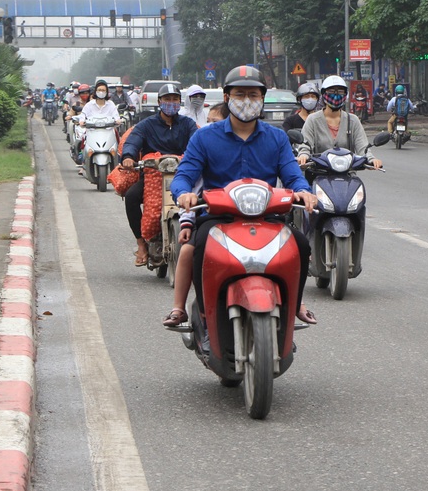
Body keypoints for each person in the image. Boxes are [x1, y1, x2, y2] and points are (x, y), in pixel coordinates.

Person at [168, 65, 318, 326]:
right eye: (239, 94)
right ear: (227, 98)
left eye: (253, 94)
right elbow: (185, 175)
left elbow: (292, 174)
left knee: (301, 246)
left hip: (268, 218)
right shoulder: (204, 138)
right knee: (196, 249)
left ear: (262, 99)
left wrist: (304, 192)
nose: (246, 100)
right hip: (218, 217)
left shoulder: (277, 138)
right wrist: (183, 194)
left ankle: (295, 305)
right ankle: (203, 318)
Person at [163, 103, 228, 326]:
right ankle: (181, 308)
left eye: (216, 122)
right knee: (190, 250)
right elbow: (189, 187)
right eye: (208, 122)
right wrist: (187, 224)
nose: (210, 127)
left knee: (294, 245)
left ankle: (293, 307)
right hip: (212, 218)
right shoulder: (203, 144)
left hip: (254, 220)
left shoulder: (269, 140)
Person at [120, 83, 198, 266]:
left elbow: (198, 142)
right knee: (131, 197)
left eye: (175, 99)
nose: (171, 103)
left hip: (183, 175)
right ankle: (141, 244)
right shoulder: (147, 125)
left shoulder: (188, 124)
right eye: (167, 99)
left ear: (180, 102)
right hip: (151, 176)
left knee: (203, 200)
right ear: (159, 102)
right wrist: (129, 157)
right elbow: (133, 141)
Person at [295, 75, 382, 169]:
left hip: (348, 175)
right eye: (331, 91)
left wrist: (371, 159)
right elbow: (305, 145)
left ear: (345, 95)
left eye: (340, 92)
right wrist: (304, 155)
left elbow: (363, 148)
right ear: (324, 94)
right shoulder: (313, 120)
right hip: (318, 174)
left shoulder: (353, 120)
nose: (336, 95)